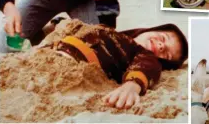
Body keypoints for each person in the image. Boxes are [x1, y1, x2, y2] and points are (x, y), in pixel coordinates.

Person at [38, 18, 188, 110]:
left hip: (69, 65)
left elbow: (146, 66)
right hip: (44, 53)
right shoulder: (116, 34)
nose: (162, 46)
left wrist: (133, 85)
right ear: (151, 30)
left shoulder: (143, 53)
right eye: (163, 37)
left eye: (166, 54)